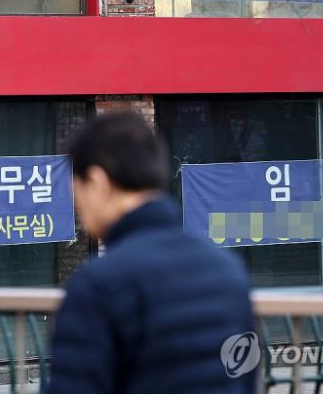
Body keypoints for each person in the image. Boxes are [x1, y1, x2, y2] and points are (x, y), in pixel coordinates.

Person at [46, 112, 255, 394]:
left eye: (77, 192)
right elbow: (246, 376)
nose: (78, 207)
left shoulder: (98, 284)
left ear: (97, 182)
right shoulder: (227, 269)